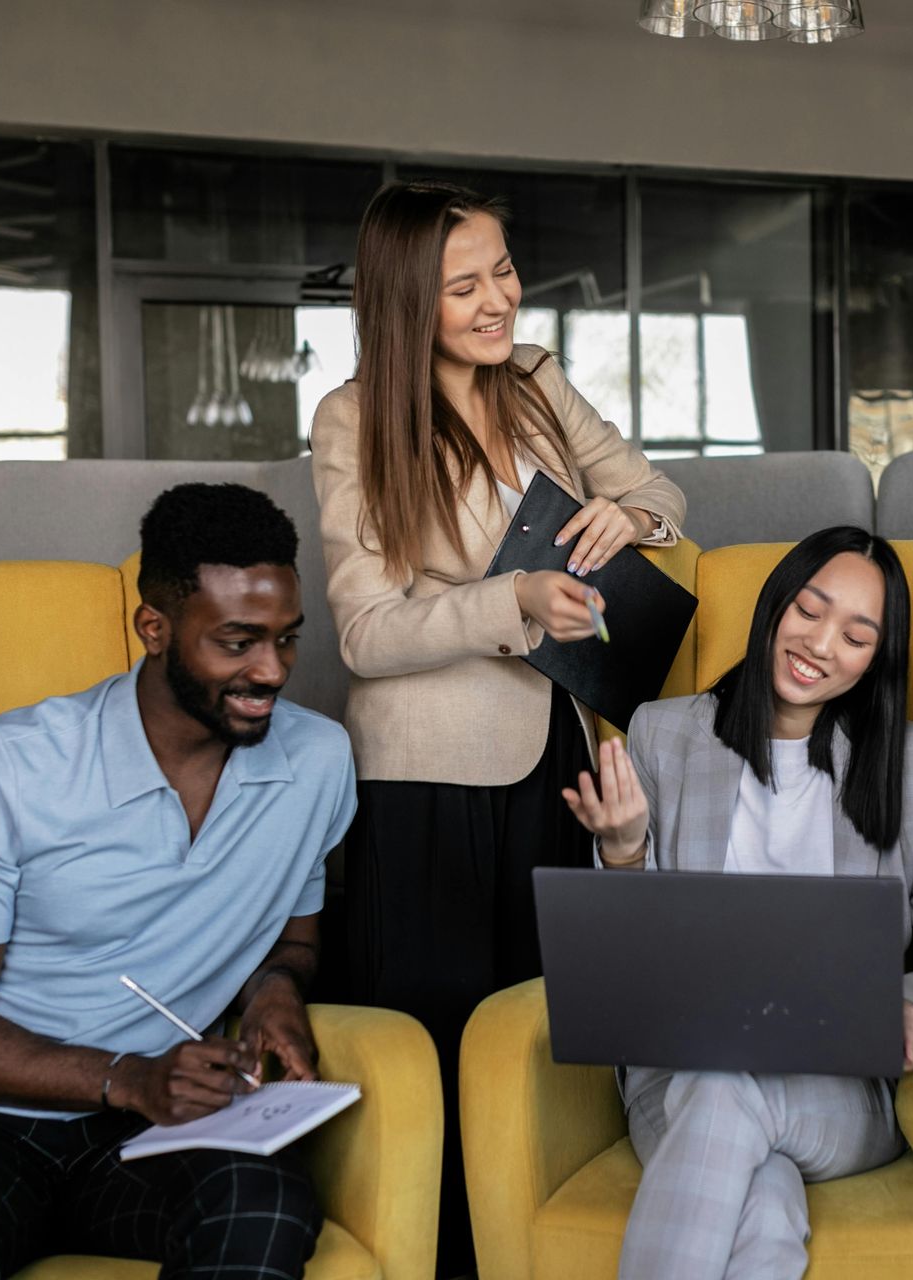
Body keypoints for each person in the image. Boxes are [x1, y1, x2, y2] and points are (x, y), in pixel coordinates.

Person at [0, 483, 357, 1280]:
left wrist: (274, 992)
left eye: (286, 640)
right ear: (154, 628)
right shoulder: (8, 768)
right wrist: (128, 1077)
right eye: (238, 643)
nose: (271, 671)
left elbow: (293, 935)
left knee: (265, 1208)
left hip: (152, 1134)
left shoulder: (317, 761)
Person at [310, 179, 686, 1272]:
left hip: (558, 747)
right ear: (401, 302)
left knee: (545, 1042)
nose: (498, 300)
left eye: (505, 271)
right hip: (425, 775)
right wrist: (510, 602)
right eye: (463, 285)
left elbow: (660, 491)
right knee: (434, 1042)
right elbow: (369, 633)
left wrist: (632, 515)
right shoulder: (353, 417)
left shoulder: (533, 380)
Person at [565, 526, 913, 1280]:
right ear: (774, 606)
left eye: (857, 635)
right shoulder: (663, 736)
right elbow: (619, 961)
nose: (822, 644)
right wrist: (623, 849)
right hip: (676, 1076)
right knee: (762, 1204)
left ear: (876, 659)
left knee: (729, 1097)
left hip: (840, 1091)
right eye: (810, 609)